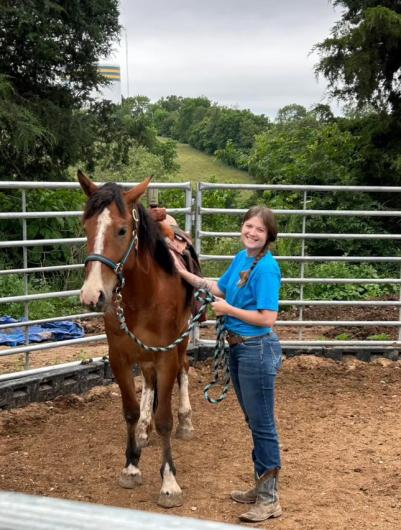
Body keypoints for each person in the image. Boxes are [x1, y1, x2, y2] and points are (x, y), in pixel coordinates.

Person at [171, 206, 283, 522]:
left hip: (256, 350)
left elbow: (267, 318)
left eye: (259, 229)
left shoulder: (266, 269)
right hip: (239, 350)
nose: (252, 232)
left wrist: (228, 310)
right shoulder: (241, 258)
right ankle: (261, 486)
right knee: (255, 422)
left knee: (263, 425)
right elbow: (217, 288)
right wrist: (182, 273)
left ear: (268, 235)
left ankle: (269, 499)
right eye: (248, 226)